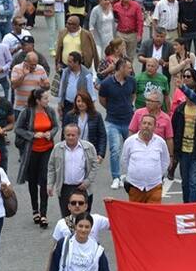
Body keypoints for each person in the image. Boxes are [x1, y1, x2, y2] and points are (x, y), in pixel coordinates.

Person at [15, 89, 59, 228]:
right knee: (32, 180)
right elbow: (18, 129)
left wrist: (50, 134)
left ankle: (44, 214)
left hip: (47, 149)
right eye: (45, 98)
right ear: (38, 100)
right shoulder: (27, 112)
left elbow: (56, 126)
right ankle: (35, 210)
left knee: (45, 180)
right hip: (31, 151)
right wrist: (33, 135)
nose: (47, 101)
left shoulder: (50, 111)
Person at [99, 57, 136, 189]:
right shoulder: (107, 83)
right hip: (113, 121)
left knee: (133, 149)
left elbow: (132, 95)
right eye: (128, 67)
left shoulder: (132, 81)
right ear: (121, 68)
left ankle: (132, 175)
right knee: (115, 149)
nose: (131, 70)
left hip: (129, 121)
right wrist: (111, 109)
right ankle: (116, 177)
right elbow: (102, 99)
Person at [48, 124, 99, 217]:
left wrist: (87, 182)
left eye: (73, 135)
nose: (70, 137)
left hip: (82, 188)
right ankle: (70, 232)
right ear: (64, 135)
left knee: (84, 217)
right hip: (65, 189)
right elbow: (51, 167)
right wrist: (50, 184)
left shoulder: (88, 147)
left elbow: (95, 166)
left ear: (78, 135)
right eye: (68, 135)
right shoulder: (57, 148)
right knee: (66, 218)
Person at [172, 74, 196, 203]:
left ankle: (193, 208)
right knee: (185, 182)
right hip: (183, 151)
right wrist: (175, 151)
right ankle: (186, 207)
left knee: (194, 182)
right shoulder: (180, 110)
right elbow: (174, 129)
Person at [122, 113, 170, 203]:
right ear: (140, 125)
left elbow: (165, 161)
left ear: (155, 127)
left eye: (149, 124)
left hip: (154, 186)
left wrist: (157, 175)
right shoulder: (130, 141)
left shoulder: (161, 142)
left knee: (153, 215)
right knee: (136, 214)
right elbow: (125, 160)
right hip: (135, 186)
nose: (146, 126)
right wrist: (134, 173)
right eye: (144, 123)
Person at [63, 92, 107, 162]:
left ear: (88, 102)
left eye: (83, 101)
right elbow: (64, 135)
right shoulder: (70, 115)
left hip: (89, 151)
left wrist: (101, 154)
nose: (80, 103)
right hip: (73, 150)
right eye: (78, 101)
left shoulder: (96, 116)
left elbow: (102, 135)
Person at [10, 52, 50, 117]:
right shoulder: (16, 68)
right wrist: (24, 75)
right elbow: (14, 86)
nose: (34, 67)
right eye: (32, 65)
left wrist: (43, 86)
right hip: (20, 108)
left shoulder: (40, 69)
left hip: (36, 108)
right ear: (25, 62)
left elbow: (48, 86)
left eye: (35, 64)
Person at [58, 52, 97, 116]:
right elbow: (61, 88)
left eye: (70, 62)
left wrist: (92, 109)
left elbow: (91, 93)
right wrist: (59, 104)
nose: (68, 64)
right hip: (67, 105)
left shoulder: (87, 75)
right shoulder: (65, 72)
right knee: (66, 125)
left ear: (77, 63)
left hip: (81, 106)